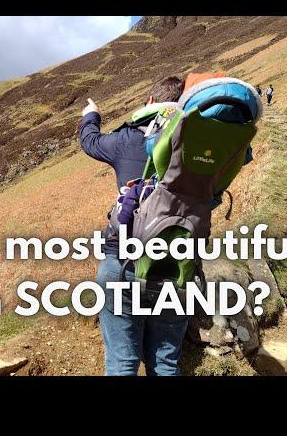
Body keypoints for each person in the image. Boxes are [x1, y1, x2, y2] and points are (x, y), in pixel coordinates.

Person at [79, 76, 188, 376]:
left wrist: (92, 114)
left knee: (122, 363)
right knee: (165, 363)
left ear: (151, 101)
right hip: (177, 266)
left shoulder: (128, 139)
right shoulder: (194, 138)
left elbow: (90, 142)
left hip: (124, 259)